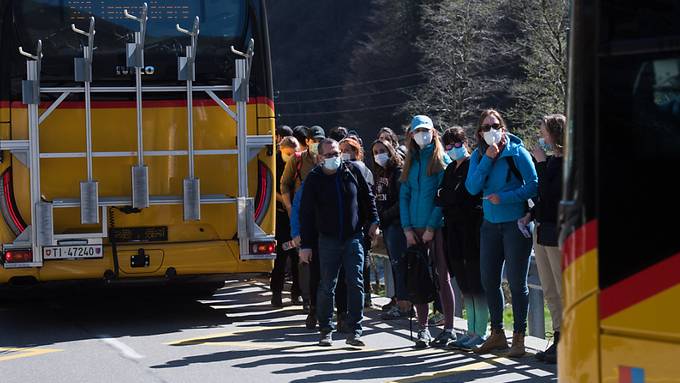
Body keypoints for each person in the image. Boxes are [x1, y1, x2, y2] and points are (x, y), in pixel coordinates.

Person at [465, 109, 538, 358]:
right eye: (485, 127)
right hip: (489, 226)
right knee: (489, 281)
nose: (490, 130)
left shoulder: (517, 152)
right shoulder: (477, 155)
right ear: (479, 132)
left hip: (515, 226)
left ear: (503, 127)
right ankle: (497, 334)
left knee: (517, 283)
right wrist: (487, 158)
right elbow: (472, 187)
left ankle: (519, 337)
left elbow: (533, 185)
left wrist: (504, 198)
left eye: (494, 125)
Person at [299, 138, 380, 347]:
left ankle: (356, 330)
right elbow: (306, 214)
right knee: (327, 285)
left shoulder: (352, 171)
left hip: (353, 237)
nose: (334, 158)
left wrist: (373, 221)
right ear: (319, 158)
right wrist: (306, 245)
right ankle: (326, 329)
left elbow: (367, 197)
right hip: (327, 240)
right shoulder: (314, 179)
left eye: (336, 153)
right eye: (329, 155)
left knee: (356, 282)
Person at [399, 115, 456, 349]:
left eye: (426, 130)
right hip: (413, 229)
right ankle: (423, 330)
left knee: (442, 278)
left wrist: (432, 227)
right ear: (411, 134)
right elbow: (404, 196)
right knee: (419, 279)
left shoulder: (440, 159)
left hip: (436, 229)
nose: (422, 134)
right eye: (418, 131)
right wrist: (407, 228)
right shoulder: (410, 161)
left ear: (433, 132)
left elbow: (442, 199)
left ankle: (449, 328)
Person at [435, 127, 488, 350]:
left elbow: (466, 195)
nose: (453, 149)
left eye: (457, 144)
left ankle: (481, 331)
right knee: (464, 283)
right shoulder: (449, 169)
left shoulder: (471, 165)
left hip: (471, 229)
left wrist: (450, 197)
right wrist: (451, 197)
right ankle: (471, 329)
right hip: (453, 230)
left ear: (465, 143)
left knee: (476, 282)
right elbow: (440, 197)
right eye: (448, 146)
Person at [519, 114, 565, 364]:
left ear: (554, 134)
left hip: (559, 233)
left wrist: (540, 163)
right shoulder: (551, 161)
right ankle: (558, 337)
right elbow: (541, 199)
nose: (540, 136)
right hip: (543, 229)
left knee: (562, 288)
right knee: (549, 289)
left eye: (543, 131)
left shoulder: (567, 161)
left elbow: (552, 194)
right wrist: (530, 215)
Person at [280, 125, 325, 322]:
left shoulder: (328, 157)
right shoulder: (297, 159)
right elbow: (284, 183)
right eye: (314, 140)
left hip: (324, 216)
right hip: (302, 213)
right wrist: (289, 206)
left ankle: (320, 301)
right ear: (307, 141)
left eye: (320, 140)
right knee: (304, 258)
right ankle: (308, 299)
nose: (316, 144)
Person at [370, 139, 410, 319]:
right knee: (395, 265)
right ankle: (399, 302)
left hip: (397, 225)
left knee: (400, 265)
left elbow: (402, 200)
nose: (379, 154)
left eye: (382, 150)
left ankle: (404, 306)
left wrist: (384, 215)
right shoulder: (380, 172)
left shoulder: (398, 171)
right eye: (376, 151)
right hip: (387, 225)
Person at [339, 137, 375, 309]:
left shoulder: (362, 169)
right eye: (341, 150)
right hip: (348, 223)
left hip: (361, 222)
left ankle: (365, 294)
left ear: (356, 151)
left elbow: (369, 196)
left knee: (362, 260)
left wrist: (372, 220)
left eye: (348, 149)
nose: (344, 153)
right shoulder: (338, 169)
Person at [271, 136, 301, 306]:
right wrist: (287, 202)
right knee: (281, 255)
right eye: (289, 153)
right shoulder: (274, 164)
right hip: (282, 215)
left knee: (297, 256)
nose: (292, 156)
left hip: (296, 215)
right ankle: (276, 293)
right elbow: (271, 187)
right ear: (281, 150)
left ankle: (297, 292)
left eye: (295, 153)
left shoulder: (299, 162)